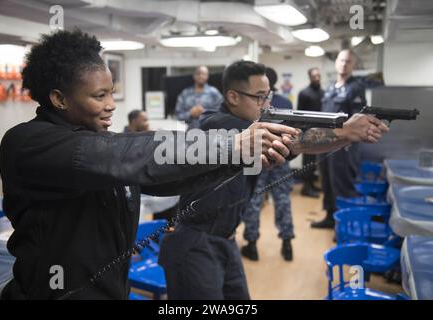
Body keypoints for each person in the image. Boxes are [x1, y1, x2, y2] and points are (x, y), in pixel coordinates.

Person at [0, 30, 294, 300]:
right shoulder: (28, 144)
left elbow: (163, 178)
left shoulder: (99, 142)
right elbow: (124, 155)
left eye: (111, 92)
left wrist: (238, 157)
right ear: (59, 98)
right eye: (99, 96)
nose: (111, 104)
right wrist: (233, 144)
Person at [158, 60, 389, 300]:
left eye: (267, 95)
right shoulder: (215, 124)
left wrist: (350, 135)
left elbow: (297, 145)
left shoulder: (250, 124)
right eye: (259, 97)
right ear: (233, 97)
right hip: (194, 243)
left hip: (225, 239)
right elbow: (296, 141)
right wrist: (347, 132)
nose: (267, 103)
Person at [241, 67, 295, 262]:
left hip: (257, 157)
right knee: (282, 200)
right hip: (280, 157)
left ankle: (252, 245)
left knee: (253, 201)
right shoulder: (286, 103)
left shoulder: (251, 103)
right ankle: (287, 244)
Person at [311, 49, 368, 229]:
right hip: (325, 143)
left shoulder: (356, 87)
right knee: (327, 182)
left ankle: (343, 226)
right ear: (336, 62)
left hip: (343, 147)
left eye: (348, 61)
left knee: (342, 184)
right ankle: (330, 217)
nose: (344, 64)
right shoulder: (330, 88)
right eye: (342, 60)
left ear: (353, 65)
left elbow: (358, 120)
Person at [297, 67, 324, 198]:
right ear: (310, 77)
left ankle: (312, 184)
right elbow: (299, 114)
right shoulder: (304, 93)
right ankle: (306, 188)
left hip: (320, 132)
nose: (317, 78)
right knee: (307, 160)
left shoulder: (323, 93)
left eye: (318, 75)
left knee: (315, 161)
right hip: (307, 132)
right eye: (314, 76)